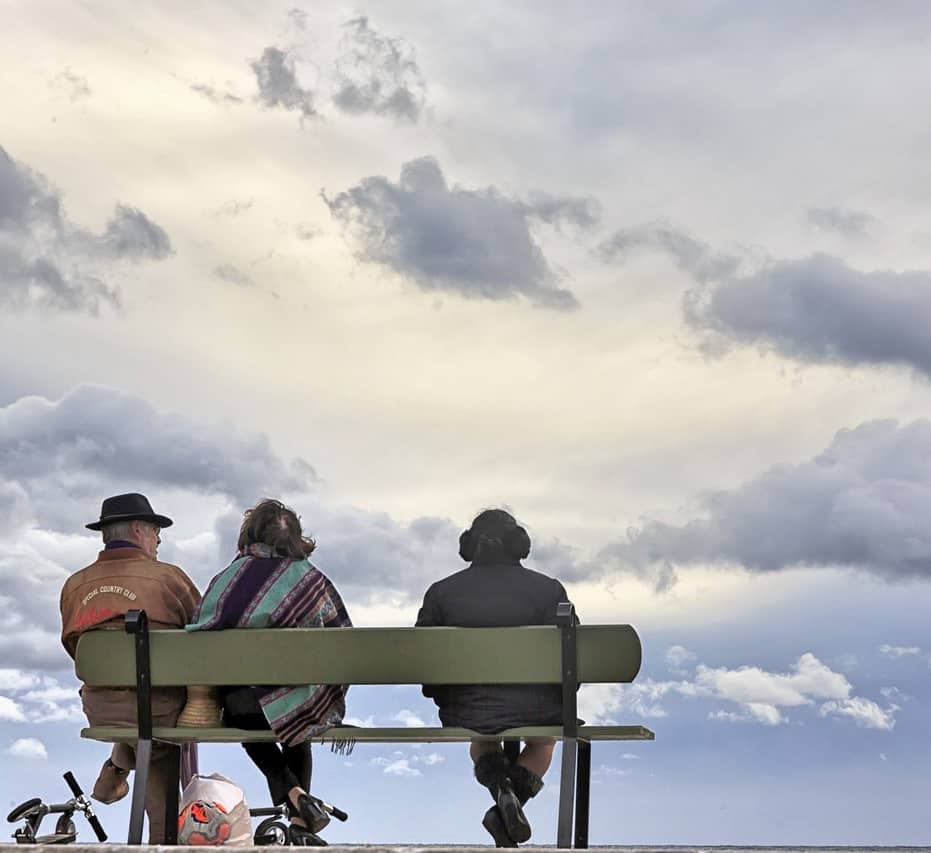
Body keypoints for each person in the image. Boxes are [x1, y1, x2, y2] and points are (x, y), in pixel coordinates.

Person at [187, 498, 352, 846]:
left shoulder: (227, 580)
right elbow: (342, 641)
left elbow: (200, 633)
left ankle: (292, 793)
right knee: (298, 717)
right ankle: (300, 822)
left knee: (248, 716)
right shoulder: (311, 581)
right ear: (295, 538)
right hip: (298, 703)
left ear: (250, 534)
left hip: (243, 706)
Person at [416, 508, 577, 848]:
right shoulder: (549, 590)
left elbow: (424, 661)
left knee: (482, 737)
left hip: (469, 709)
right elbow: (571, 664)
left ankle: (501, 788)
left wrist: (444, 697)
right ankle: (507, 804)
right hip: (537, 709)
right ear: (518, 543)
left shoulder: (441, 592)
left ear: (469, 545)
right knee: (543, 742)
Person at [60, 492, 201, 844]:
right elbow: (204, 638)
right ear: (139, 529)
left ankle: (116, 770)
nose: (159, 540)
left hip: (101, 709)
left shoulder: (74, 586)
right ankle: (162, 840)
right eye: (156, 531)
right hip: (160, 709)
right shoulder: (170, 579)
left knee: (139, 717)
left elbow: (74, 649)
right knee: (159, 728)